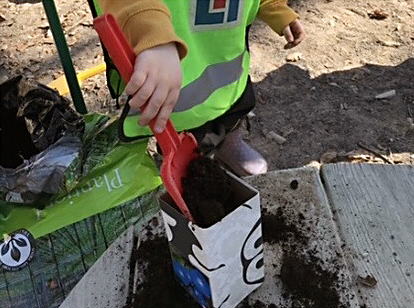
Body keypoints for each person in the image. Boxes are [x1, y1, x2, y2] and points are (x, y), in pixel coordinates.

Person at [98, 0, 305, 176]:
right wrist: (150, 34)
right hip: (176, 75)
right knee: (184, 136)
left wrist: (273, 5)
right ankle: (181, 164)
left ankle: (229, 143)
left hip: (226, 59)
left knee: (233, 109)